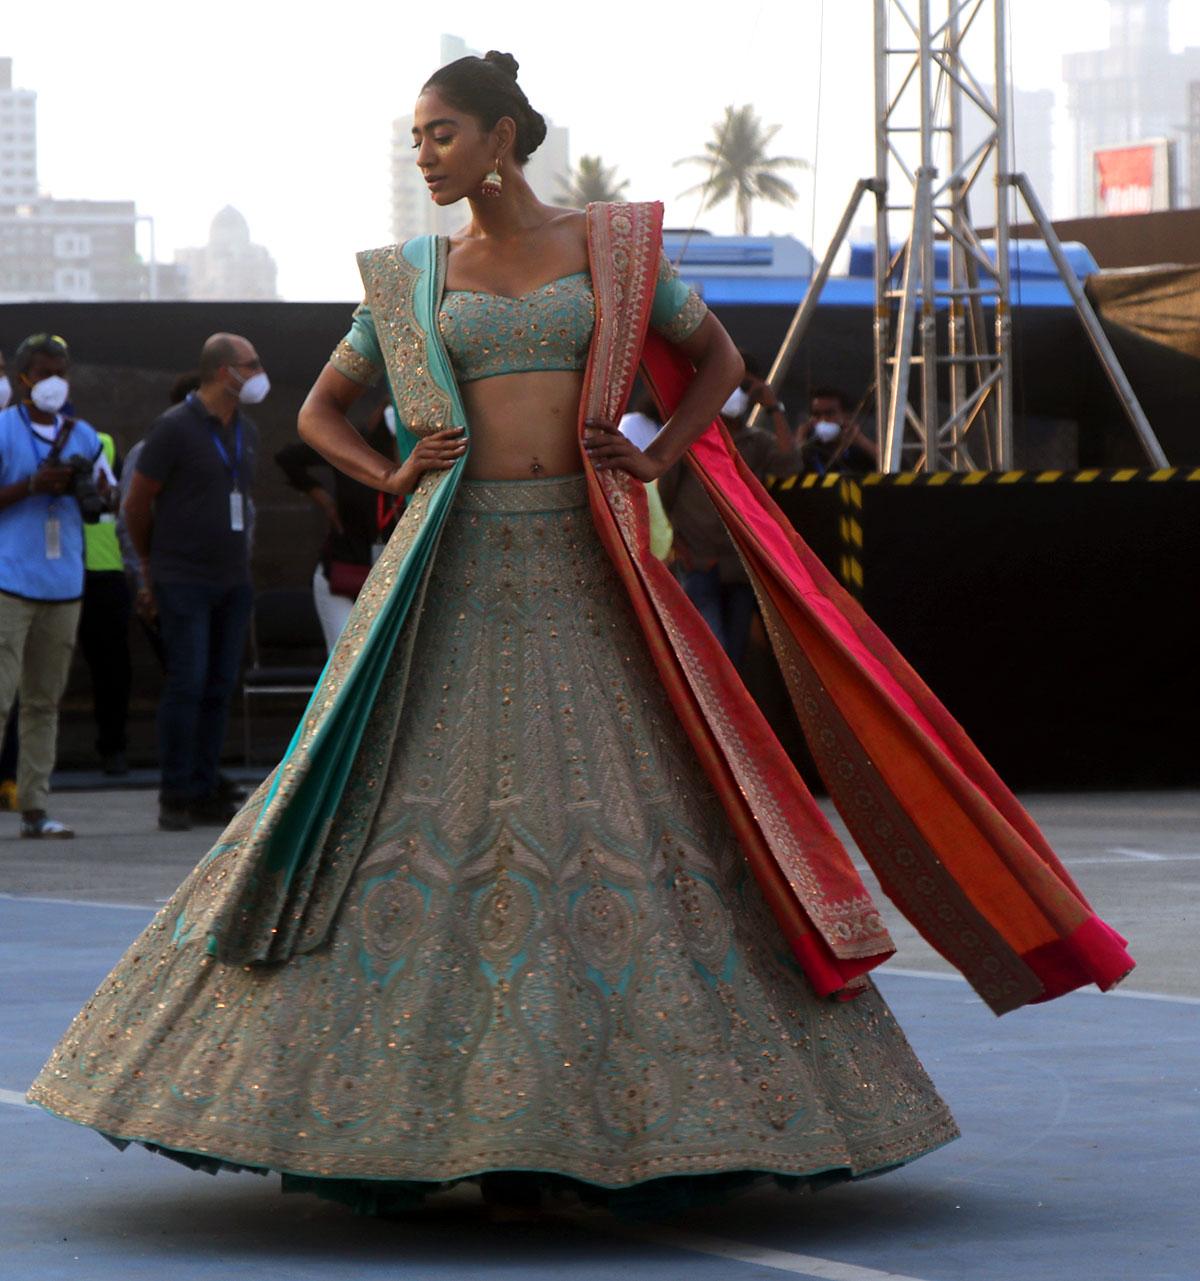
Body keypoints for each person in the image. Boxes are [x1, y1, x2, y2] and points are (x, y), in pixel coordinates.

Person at [30, 52, 1133, 1220]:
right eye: (416, 136)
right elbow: (316, 409)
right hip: (446, 573)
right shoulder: (417, 278)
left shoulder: (608, 252)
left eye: (442, 132)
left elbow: (720, 365)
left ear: (504, 137)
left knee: (624, 810)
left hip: (586, 563)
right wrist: (390, 472)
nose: (424, 153)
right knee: (395, 805)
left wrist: (657, 458)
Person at [122, 335, 263, 832]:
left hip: (232, 578)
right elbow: (138, 503)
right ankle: (175, 791)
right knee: (188, 680)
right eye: (252, 364)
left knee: (220, 685)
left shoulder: (245, 431)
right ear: (226, 372)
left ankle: (204, 787)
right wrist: (146, 563)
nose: (260, 373)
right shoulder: (174, 428)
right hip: (182, 577)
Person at [0, 333, 112, 837]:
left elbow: (104, 501)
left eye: (61, 372)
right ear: (22, 378)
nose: (54, 382)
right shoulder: (3, 429)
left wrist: (100, 491)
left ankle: (35, 807)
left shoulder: (83, 434)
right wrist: (30, 486)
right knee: (1, 697)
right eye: (44, 372)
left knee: (44, 702)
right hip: (10, 581)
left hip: (64, 583)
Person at [658, 372, 802, 669]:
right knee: (711, 654)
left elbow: (790, 465)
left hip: (740, 568)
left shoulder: (757, 442)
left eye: (742, 387)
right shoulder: (692, 438)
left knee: (734, 657)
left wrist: (774, 408)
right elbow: (666, 491)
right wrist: (682, 544)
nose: (734, 394)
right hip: (699, 562)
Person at [275, 402, 400, 651]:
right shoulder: (354, 451)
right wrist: (321, 497)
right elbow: (288, 458)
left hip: (390, 584)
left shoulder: (420, 468)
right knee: (346, 660)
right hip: (343, 574)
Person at [78, 430, 133, 775]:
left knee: (112, 668)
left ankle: (112, 748)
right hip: (50, 574)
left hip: (106, 574)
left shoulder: (103, 443)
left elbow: (124, 498)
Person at [797, 386, 878, 475]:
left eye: (829, 413)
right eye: (817, 414)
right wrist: (800, 440)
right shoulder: (809, 450)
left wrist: (860, 440)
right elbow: (789, 467)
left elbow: (888, 464)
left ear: (845, 416)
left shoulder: (859, 449)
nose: (823, 419)